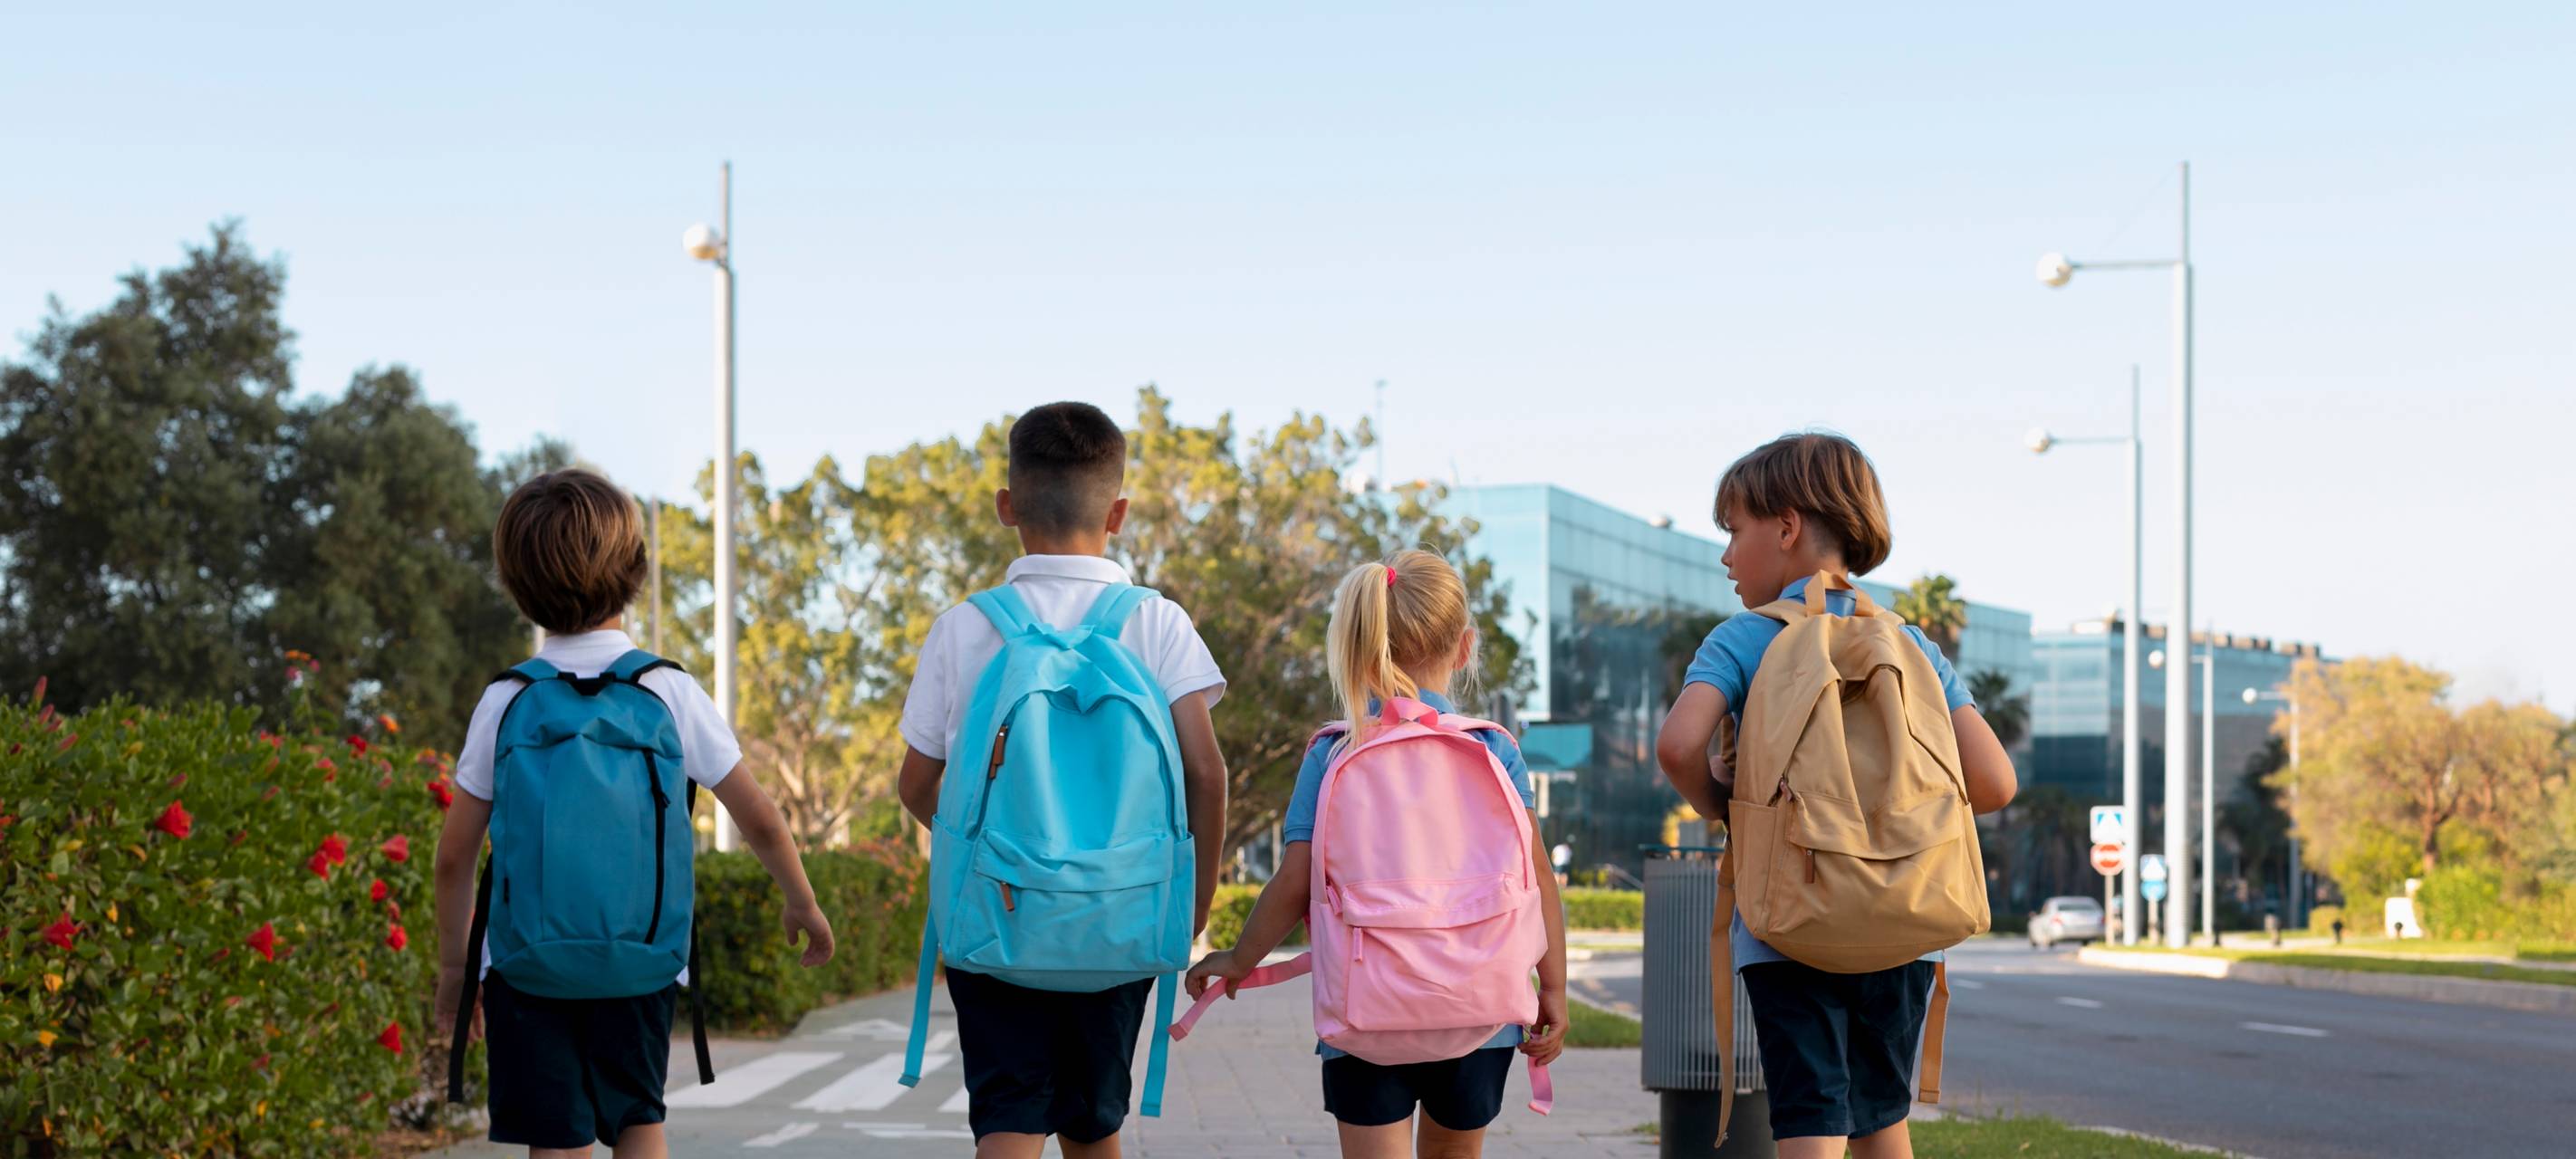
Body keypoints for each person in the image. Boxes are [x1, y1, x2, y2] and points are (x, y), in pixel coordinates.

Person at [434, 467, 835, 1158]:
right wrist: (801, 900)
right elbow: (760, 817)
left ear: (514, 583)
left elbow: (453, 859)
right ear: (637, 571)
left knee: (555, 1139)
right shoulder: (667, 688)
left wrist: (454, 973)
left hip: (526, 966)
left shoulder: (505, 700)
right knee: (637, 1120)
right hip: (643, 961)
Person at [1653, 433, 2017, 1159]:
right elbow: (1995, 783)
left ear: (1786, 528)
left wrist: (1720, 803)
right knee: (1882, 1118)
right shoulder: (1912, 645)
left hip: (1791, 923)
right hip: (1903, 917)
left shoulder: (1744, 639)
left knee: (1810, 1115)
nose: (1726, 555)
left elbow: (1677, 744)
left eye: (1734, 530)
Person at [896, 401, 1231, 1159]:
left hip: (998, 916)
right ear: (1118, 512)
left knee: (1010, 1123)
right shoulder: (1156, 623)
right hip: (1122, 912)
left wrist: (980, 851)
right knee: (1093, 1125)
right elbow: (1207, 775)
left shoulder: (965, 626)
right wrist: (1194, 896)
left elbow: (918, 784)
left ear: (1006, 507)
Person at [1188, 550, 1570, 1159]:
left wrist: (1239, 958)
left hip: (1366, 1012)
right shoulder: (1496, 748)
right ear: (1464, 647)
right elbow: (1539, 877)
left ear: (1361, 650)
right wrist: (1552, 986)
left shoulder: (1334, 753)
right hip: (1482, 1007)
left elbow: (1294, 879)